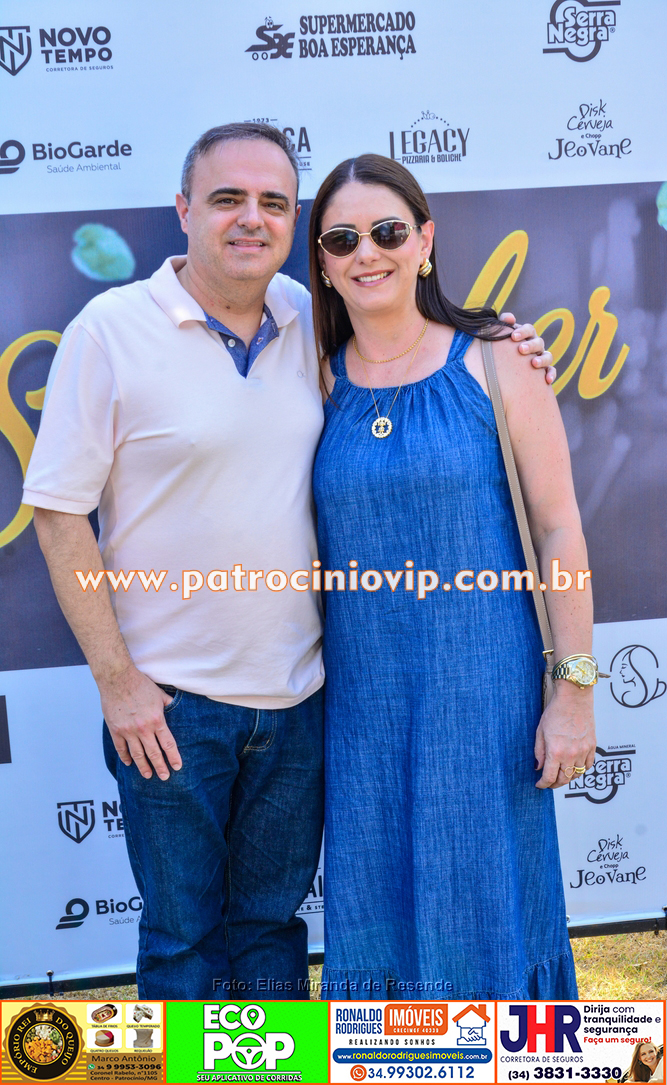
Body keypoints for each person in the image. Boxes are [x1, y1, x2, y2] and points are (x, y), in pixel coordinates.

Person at [22, 124, 553, 1000]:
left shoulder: (309, 320)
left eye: (273, 202)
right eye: (227, 198)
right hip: (171, 707)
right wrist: (119, 684)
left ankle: (275, 1064)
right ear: (183, 209)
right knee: (183, 941)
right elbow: (57, 513)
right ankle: (185, 1064)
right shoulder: (110, 331)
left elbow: (417, 355)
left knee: (272, 936)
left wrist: (508, 344)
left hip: (300, 701)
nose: (251, 218)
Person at [311, 154, 599, 1000]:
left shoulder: (497, 359)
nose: (367, 252)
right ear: (321, 264)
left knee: (489, 911)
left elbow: (558, 528)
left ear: (424, 240)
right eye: (342, 239)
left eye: (386, 231)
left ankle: (512, 1055)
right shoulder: (313, 375)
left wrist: (573, 691)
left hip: (485, 699)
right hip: (361, 709)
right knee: (376, 913)